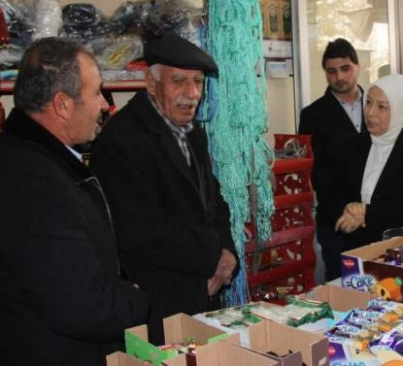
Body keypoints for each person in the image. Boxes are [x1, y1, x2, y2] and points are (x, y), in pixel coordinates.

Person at [0, 37, 148, 365]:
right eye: (96, 92)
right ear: (62, 105)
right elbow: (81, 307)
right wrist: (135, 299)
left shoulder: (32, 158)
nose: (106, 105)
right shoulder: (37, 183)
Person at [90, 34, 238, 344]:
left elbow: (214, 200)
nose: (192, 93)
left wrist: (227, 252)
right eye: (179, 81)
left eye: (198, 82)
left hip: (203, 294)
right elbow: (141, 231)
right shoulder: (122, 139)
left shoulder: (192, 129)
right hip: (159, 303)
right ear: (151, 82)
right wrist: (213, 254)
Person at [335, 74, 403, 251]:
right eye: (368, 102)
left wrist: (367, 214)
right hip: (355, 250)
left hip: (401, 254)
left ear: (401, 110)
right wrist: (348, 211)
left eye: (381, 107)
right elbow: (334, 193)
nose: (370, 112)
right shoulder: (352, 146)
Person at [298, 38, 364, 280]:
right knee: (342, 285)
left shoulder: (376, 105)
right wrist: (347, 211)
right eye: (332, 71)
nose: (339, 77)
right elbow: (317, 173)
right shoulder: (313, 115)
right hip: (336, 219)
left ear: (358, 67)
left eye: (345, 69)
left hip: (376, 215)